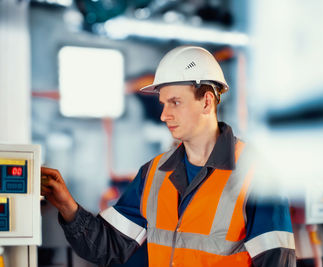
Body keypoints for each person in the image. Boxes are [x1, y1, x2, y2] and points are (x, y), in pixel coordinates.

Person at [41, 46, 296, 266]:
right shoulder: (153, 173)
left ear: (206, 102)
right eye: (163, 104)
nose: (164, 115)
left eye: (175, 102)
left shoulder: (257, 174)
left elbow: (277, 261)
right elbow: (107, 247)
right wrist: (67, 205)